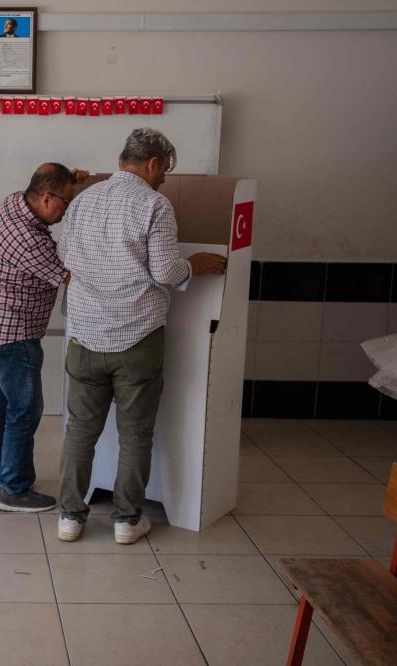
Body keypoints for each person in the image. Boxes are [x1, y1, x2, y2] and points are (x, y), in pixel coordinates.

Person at [55, 128, 227, 543]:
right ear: (153, 164)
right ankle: (127, 522)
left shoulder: (83, 200)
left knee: (80, 432)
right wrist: (196, 265)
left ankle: (70, 518)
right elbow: (166, 272)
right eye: (165, 170)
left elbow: (64, 256)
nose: (164, 179)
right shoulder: (154, 204)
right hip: (137, 339)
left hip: (83, 336)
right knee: (135, 433)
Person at [0, 163, 89, 512]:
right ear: (47, 198)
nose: (68, 211)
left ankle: (0, 477)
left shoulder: (12, 202)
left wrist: (74, 177)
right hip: (14, 336)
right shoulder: (31, 240)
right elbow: (67, 276)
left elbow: (44, 173)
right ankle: (14, 488)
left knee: (1, 407)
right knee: (25, 410)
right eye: (67, 202)